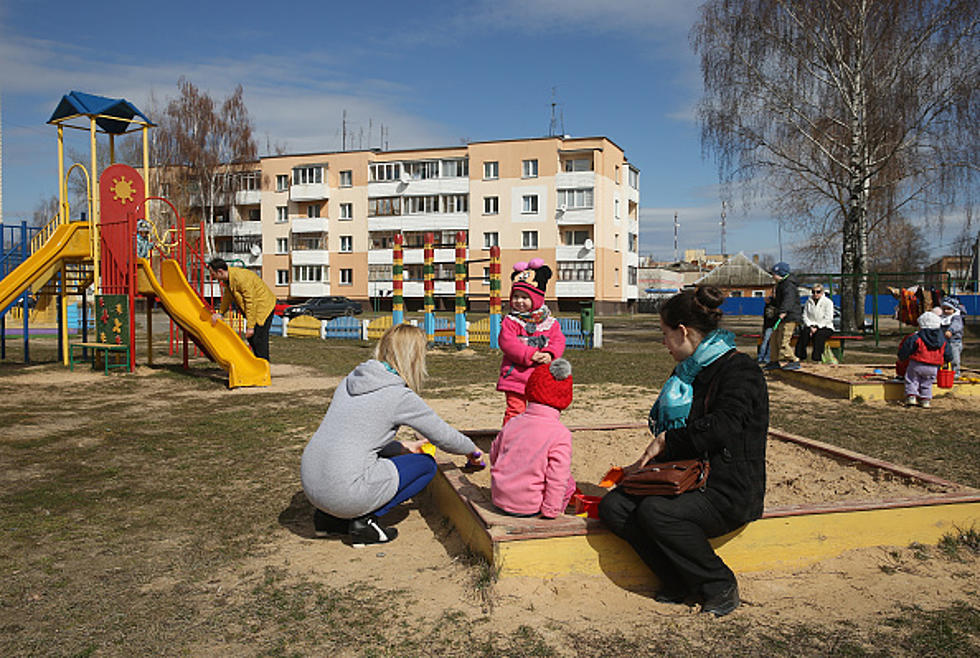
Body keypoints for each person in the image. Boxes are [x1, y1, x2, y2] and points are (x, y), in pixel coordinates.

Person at [598, 285, 768, 617]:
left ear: (683, 331)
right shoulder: (689, 372)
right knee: (615, 506)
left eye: (665, 334)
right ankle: (677, 580)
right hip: (688, 477)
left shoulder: (739, 370)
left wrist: (665, 441)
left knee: (656, 512)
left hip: (727, 487)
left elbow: (725, 425)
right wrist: (643, 469)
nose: (663, 343)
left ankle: (718, 583)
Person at [301, 324, 485, 544]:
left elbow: (358, 437)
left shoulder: (352, 381)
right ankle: (364, 522)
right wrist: (471, 450)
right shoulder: (398, 395)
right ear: (415, 357)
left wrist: (401, 447)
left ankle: (329, 520)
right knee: (425, 465)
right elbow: (443, 436)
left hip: (312, 484)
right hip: (344, 494)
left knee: (382, 461)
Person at [491, 359, 577, 518]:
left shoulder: (513, 423)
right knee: (569, 483)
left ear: (530, 390)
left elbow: (494, 454)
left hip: (499, 499)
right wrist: (550, 511)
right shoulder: (560, 434)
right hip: (529, 507)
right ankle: (558, 513)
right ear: (565, 399)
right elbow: (557, 477)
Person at [497, 259, 566, 425]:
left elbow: (558, 340)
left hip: (541, 376)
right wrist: (530, 354)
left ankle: (537, 438)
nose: (519, 301)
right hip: (516, 376)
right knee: (515, 411)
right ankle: (511, 441)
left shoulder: (549, 322)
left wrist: (550, 353)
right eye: (516, 297)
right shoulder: (511, 321)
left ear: (536, 299)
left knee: (542, 410)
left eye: (525, 297)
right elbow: (508, 343)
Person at [208, 257, 277, 362]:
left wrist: (250, 327)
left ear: (220, 272)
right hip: (255, 307)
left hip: (263, 307)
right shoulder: (229, 279)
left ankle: (263, 368)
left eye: (213, 275)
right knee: (252, 338)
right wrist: (221, 313)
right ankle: (257, 365)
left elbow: (250, 302)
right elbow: (228, 296)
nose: (212, 278)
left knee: (259, 338)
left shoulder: (240, 278)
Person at [897, 311, 952, 409]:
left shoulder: (916, 338)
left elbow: (907, 348)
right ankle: (925, 400)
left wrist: (902, 357)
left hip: (917, 364)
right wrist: (947, 360)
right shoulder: (942, 340)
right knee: (927, 382)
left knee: (912, 379)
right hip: (933, 367)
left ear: (921, 326)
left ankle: (911, 396)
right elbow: (947, 352)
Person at [764, 261, 802, 371]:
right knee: (774, 339)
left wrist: (784, 311)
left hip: (789, 317)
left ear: (780, 274)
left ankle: (794, 360)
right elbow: (780, 301)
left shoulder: (788, 285)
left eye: (774, 274)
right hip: (782, 317)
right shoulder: (781, 285)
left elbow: (789, 300)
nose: (772, 276)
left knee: (783, 341)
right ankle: (774, 361)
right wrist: (771, 301)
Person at [794, 284, 834, 362]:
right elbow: (805, 315)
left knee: (819, 335)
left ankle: (817, 358)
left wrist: (818, 327)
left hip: (826, 326)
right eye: (813, 292)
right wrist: (810, 325)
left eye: (818, 292)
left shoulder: (828, 302)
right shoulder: (808, 302)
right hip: (811, 325)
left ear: (822, 292)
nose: (815, 294)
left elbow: (828, 318)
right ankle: (800, 357)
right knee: (804, 333)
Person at [940, 297, 966, 377]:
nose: (946, 311)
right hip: (944, 341)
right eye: (944, 309)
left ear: (954, 309)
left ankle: (956, 372)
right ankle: (944, 369)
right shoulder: (942, 317)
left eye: (948, 309)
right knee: (943, 356)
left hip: (954, 341)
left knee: (954, 357)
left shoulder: (956, 317)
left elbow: (956, 325)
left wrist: (950, 330)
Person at [757, 295, 777, 364]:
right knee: (767, 343)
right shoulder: (768, 307)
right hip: (770, 327)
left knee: (768, 343)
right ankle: (763, 358)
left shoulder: (772, 306)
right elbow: (766, 319)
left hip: (772, 326)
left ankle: (764, 358)